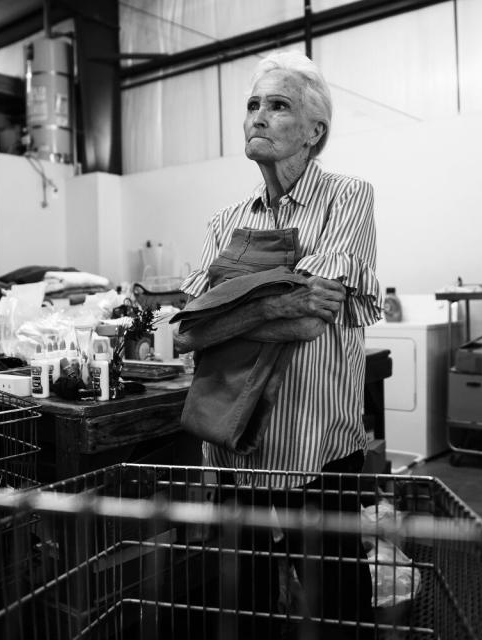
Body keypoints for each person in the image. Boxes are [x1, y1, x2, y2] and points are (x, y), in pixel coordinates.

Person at [175, 50, 382, 637]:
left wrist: (231, 307)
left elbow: (313, 319)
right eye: (253, 105)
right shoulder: (226, 222)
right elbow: (187, 332)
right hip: (235, 443)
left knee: (337, 605)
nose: (258, 116)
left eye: (279, 105)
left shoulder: (348, 197)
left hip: (312, 444)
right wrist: (278, 301)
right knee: (248, 606)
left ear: (315, 132)